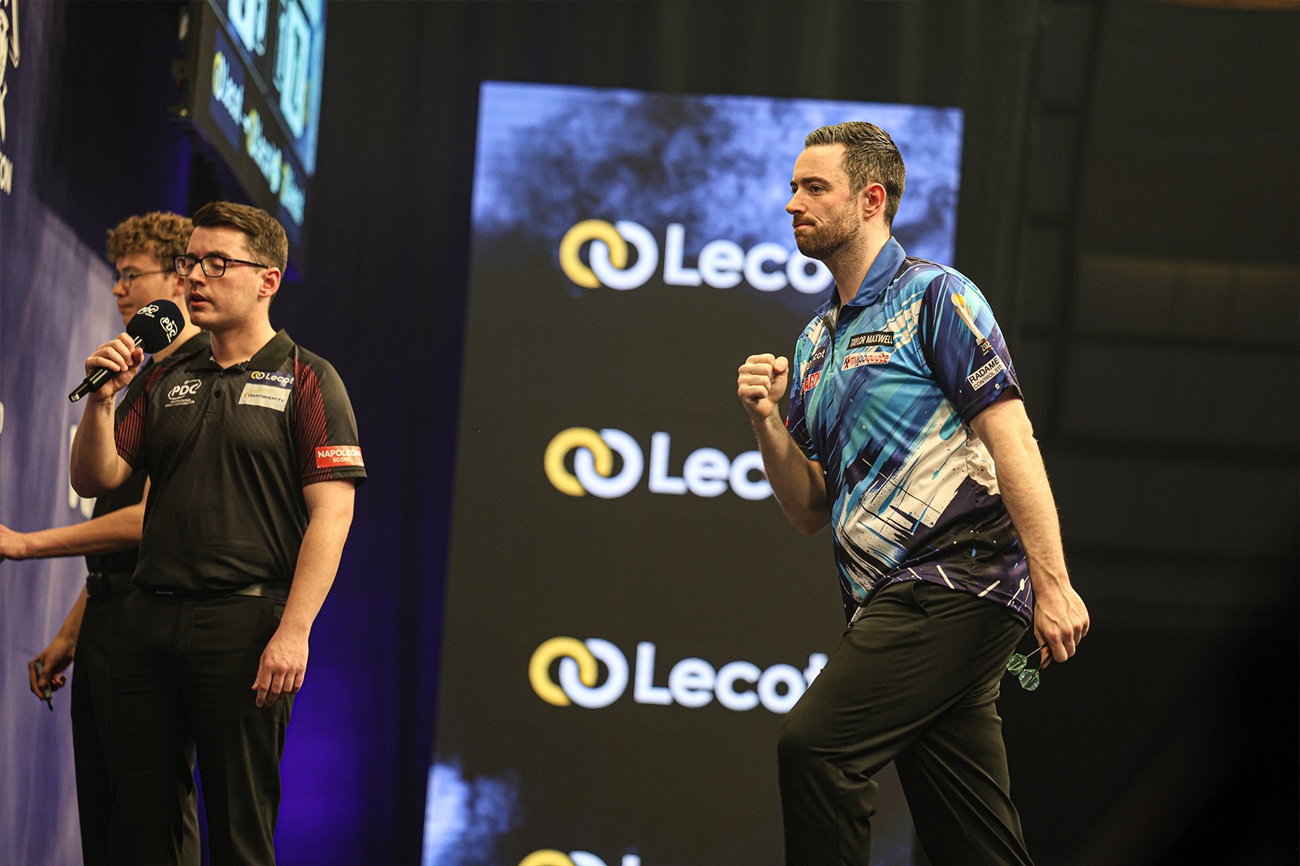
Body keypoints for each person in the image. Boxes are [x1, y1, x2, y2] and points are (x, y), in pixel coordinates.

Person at [736, 122, 1090, 865]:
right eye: (793, 187)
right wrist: (767, 422)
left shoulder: (935, 297)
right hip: (890, 600)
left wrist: (1053, 582)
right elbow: (808, 509)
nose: (792, 203)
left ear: (871, 199)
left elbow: (1013, 439)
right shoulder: (815, 342)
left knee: (817, 748)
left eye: (814, 188)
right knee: (974, 844)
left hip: (955, 579)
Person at [69, 200, 366, 865]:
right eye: (189, 262)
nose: (194, 277)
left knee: (238, 832)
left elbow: (333, 514)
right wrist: (102, 400)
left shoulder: (309, 378)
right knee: (139, 831)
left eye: (216, 263)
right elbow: (96, 476)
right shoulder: (166, 372)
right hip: (148, 620)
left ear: (267, 280)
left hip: (244, 624)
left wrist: (294, 631)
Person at [2, 211, 205, 866]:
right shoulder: (138, 378)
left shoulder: (204, 379)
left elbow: (154, 521)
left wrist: (26, 544)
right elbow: (108, 519)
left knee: (151, 824)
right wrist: (72, 632)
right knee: (107, 821)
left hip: (155, 625)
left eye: (131, 275)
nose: (118, 289)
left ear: (180, 279)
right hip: (109, 616)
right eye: (117, 276)